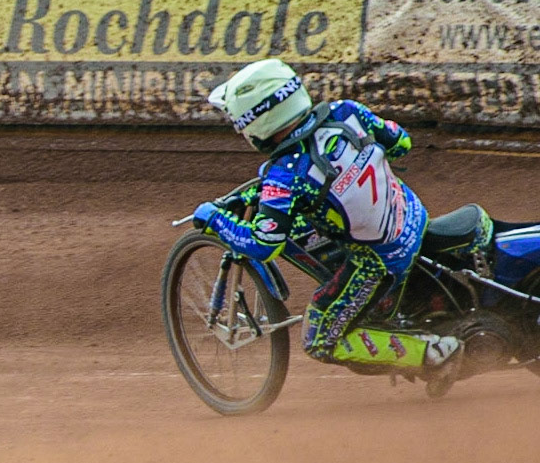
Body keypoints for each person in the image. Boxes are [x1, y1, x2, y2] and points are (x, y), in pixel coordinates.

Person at [193, 58, 461, 377]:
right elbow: (401, 142)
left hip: (378, 262)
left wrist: (216, 220)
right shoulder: (346, 112)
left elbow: (264, 245)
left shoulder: (285, 176)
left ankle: (433, 354)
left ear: (256, 122)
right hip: (412, 215)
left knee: (319, 340)